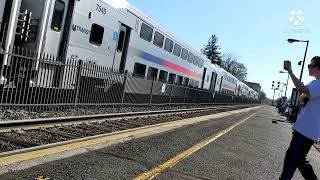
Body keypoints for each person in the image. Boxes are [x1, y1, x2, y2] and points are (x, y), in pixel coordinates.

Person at [280, 56, 320, 180]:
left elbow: (301, 89)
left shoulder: (319, 84)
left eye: (310, 65)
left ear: (318, 68)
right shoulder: (316, 83)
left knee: (292, 160)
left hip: (305, 132)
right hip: (306, 131)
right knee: (299, 160)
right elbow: (303, 97)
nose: (308, 67)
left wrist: (290, 71)